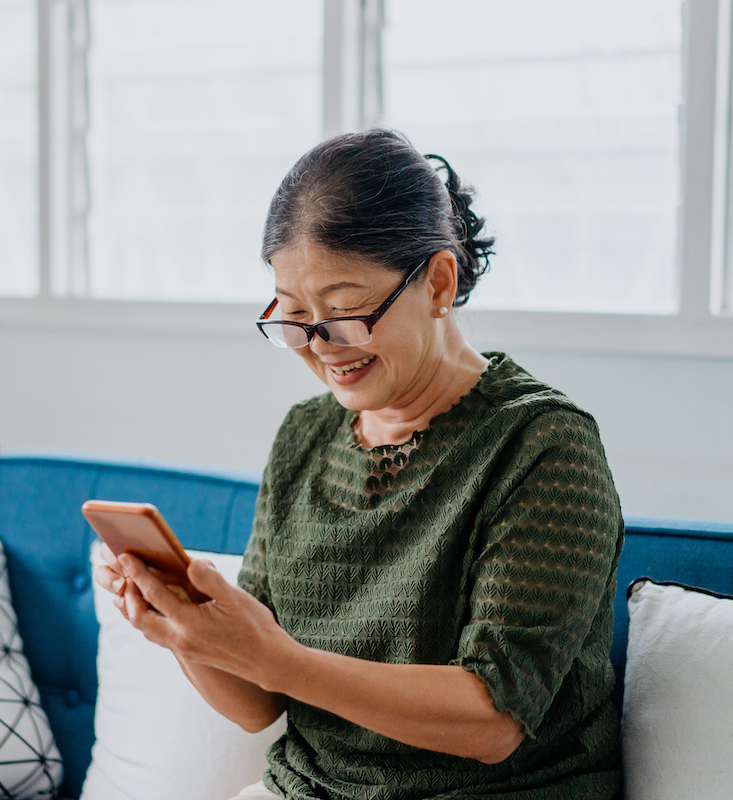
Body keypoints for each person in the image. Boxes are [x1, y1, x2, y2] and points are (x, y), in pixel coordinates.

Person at [93, 128, 624, 799]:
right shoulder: (304, 437)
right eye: (293, 317)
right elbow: (260, 702)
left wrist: (277, 658)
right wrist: (184, 634)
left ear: (438, 281)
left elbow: (492, 719)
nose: (321, 346)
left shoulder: (541, 446)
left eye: (345, 311)